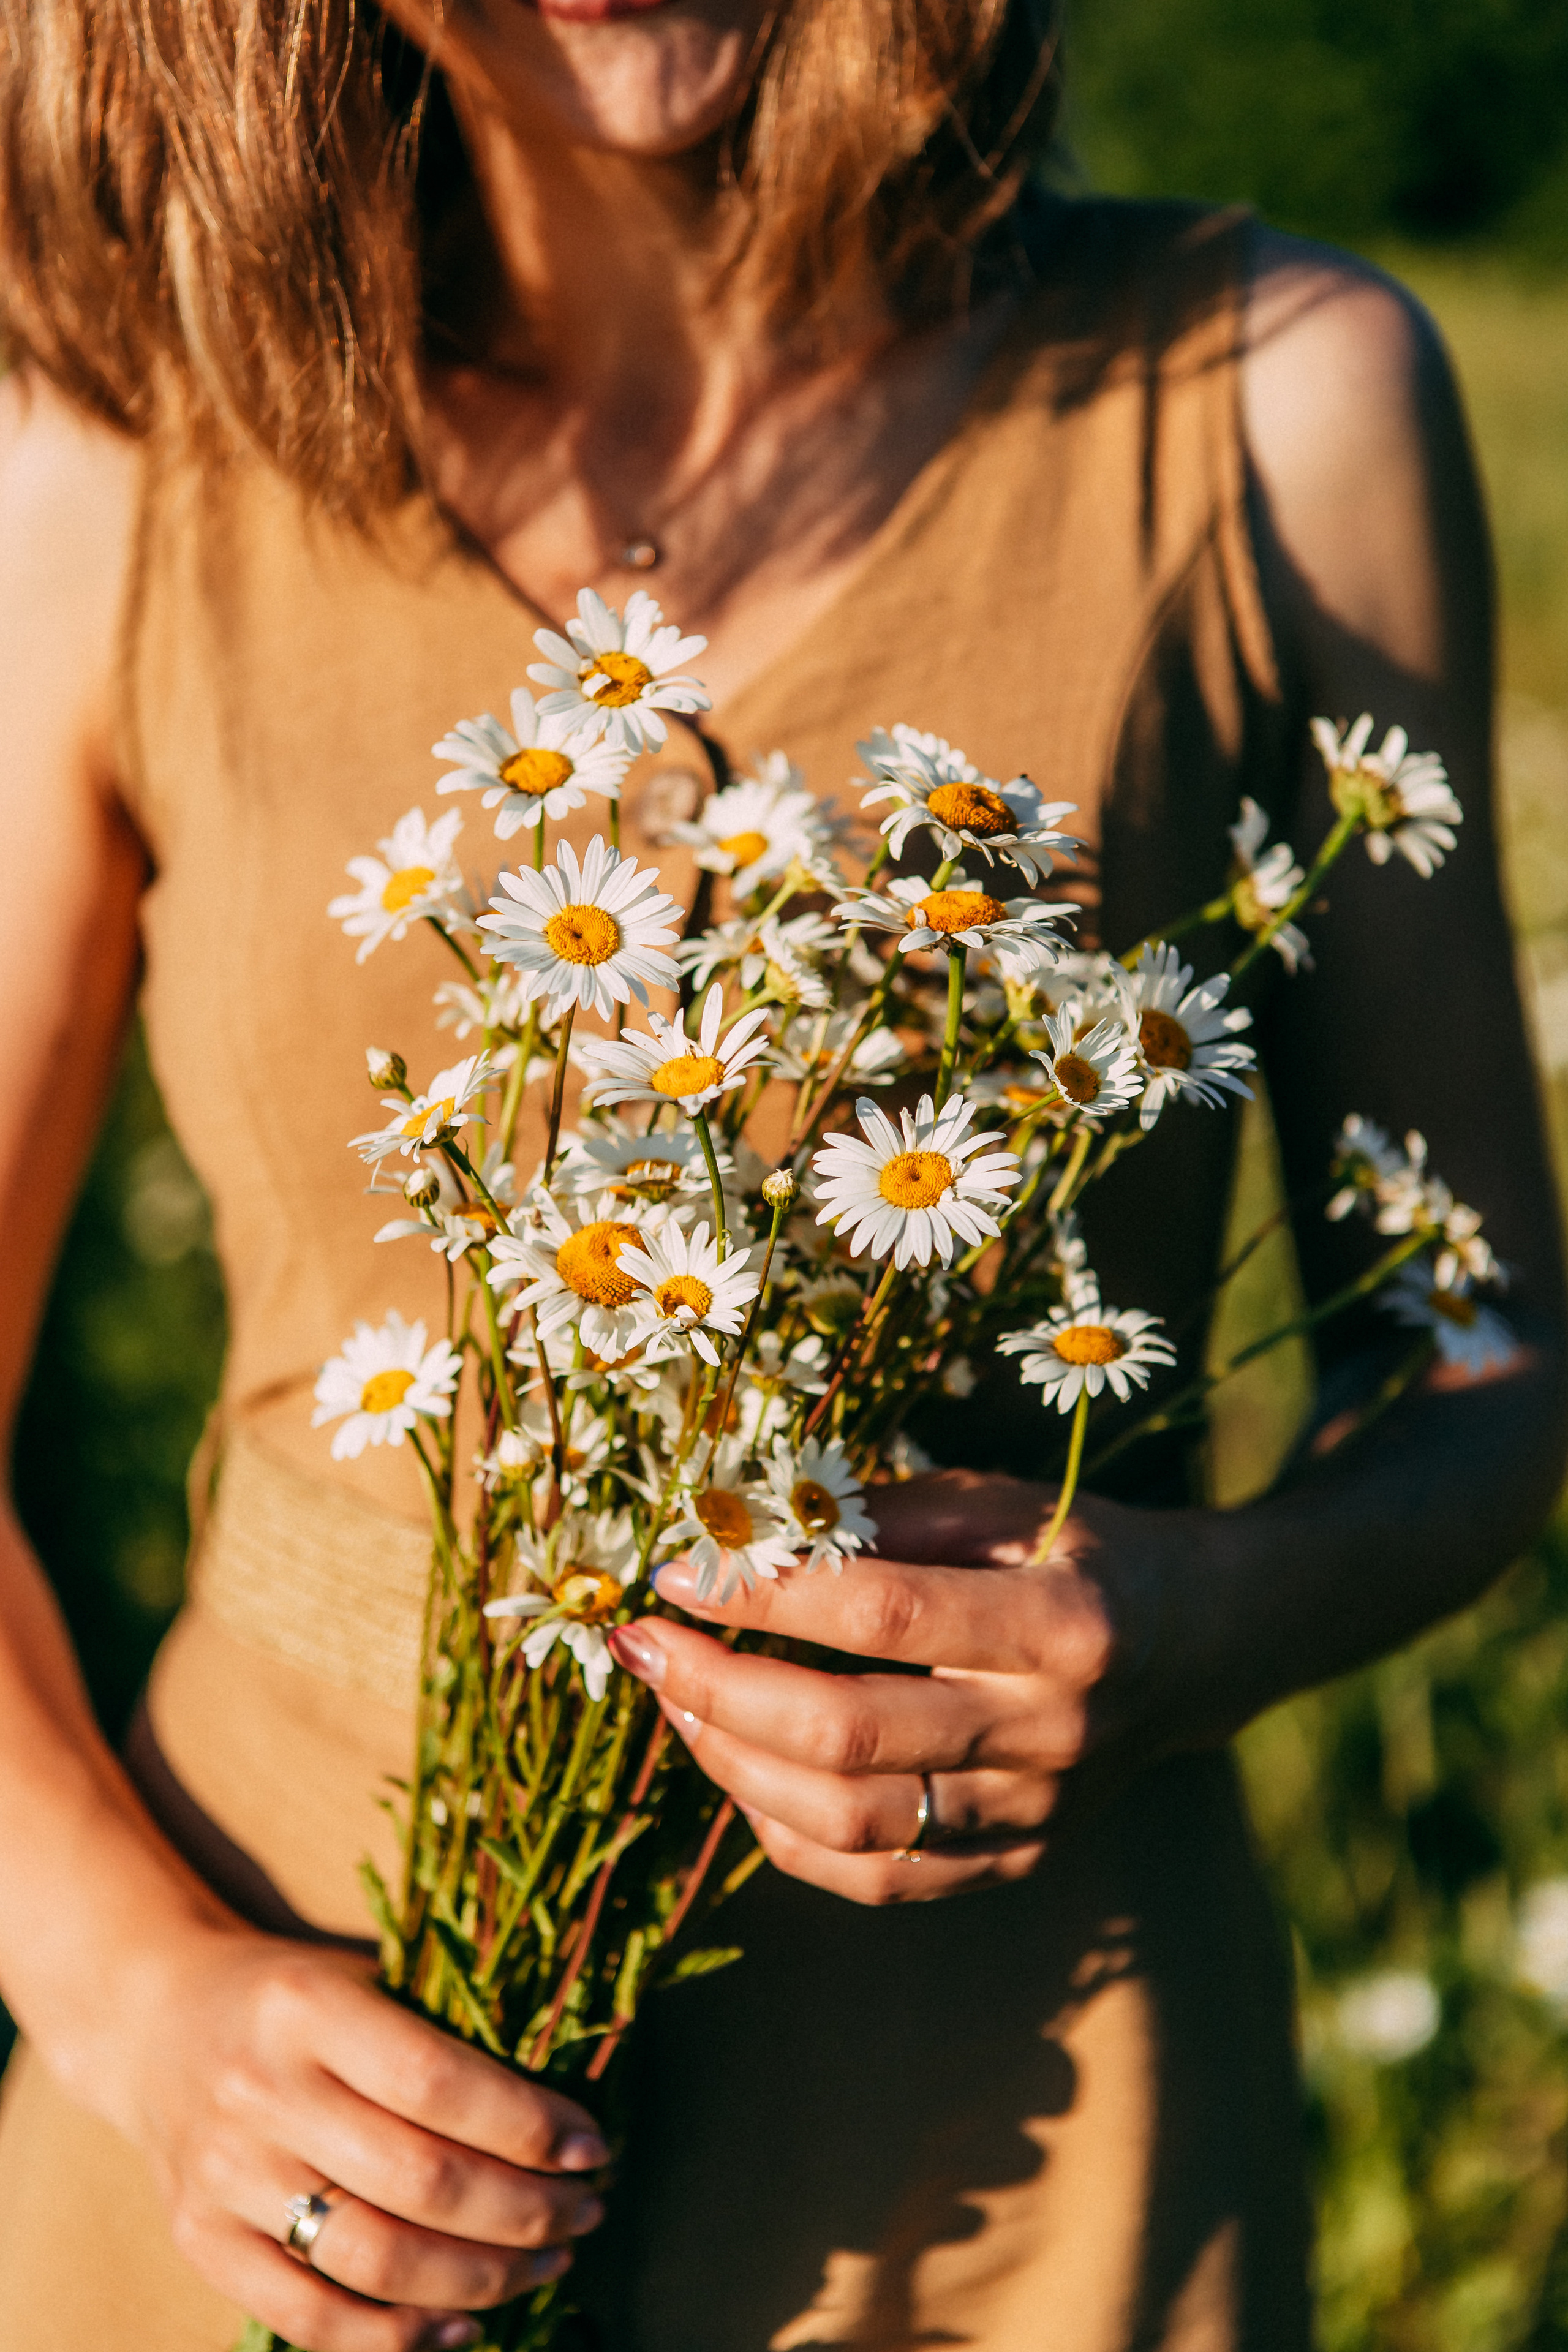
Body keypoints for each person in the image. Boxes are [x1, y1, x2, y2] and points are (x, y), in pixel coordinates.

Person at [0, 1, 1561, 2347]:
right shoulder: (121, 445)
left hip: (1026, 2173)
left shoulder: (1274, 397)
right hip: (268, 2153)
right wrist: (144, 2006)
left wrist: (1184, 1626)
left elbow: (1487, 1372)